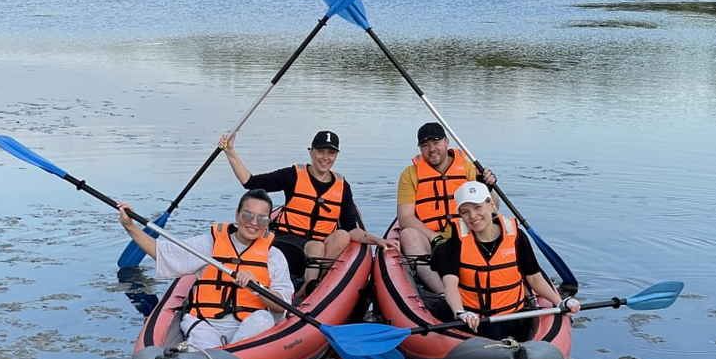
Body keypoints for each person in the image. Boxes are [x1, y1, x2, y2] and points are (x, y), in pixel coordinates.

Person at [117, 189, 294, 351]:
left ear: (268, 222)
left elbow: (282, 304)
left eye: (262, 218)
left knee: (264, 318)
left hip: (248, 327)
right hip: (205, 323)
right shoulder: (208, 244)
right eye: (248, 215)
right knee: (204, 346)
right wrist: (130, 226)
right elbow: (162, 252)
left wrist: (257, 287)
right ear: (237, 215)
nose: (254, 223)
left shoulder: (274, 256)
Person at [219, 129, 393, 292]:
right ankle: (307, 288)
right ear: (311, 152)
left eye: (331, 153)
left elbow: (350, 228)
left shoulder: (342, 186)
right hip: (286, 245)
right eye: (320, 152)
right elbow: (251, 182)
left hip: (321, 253)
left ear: (336, 156)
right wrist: (230, 151)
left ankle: (311, 285)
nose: (325, 158)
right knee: (316, 246)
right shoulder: (293, 175)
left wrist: (378, 240)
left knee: (342, 235)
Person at [430, 180, 581, 340]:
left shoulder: (517, 237)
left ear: (491, 206)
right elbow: (450, 283)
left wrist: (559, 302)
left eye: (478, 207)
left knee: (499, 332)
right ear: (460, 215)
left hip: (511, 314)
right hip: (471, 315)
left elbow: (534, 278)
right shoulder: (455, 242)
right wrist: (460, 312)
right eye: (465, 211)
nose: (472, 216)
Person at [396, 122, 496, 293]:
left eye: (436, 142)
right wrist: (434, 237)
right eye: (425, 145)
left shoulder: (468, 168)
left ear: (447, 142)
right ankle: (443, 292)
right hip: (431, 240)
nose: (431, 149)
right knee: (408, 234)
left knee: (499, 226)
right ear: (420, 148)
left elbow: (493, 209)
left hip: (466, 234)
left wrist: (489, 187)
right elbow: (405, 218)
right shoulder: (410, 174)